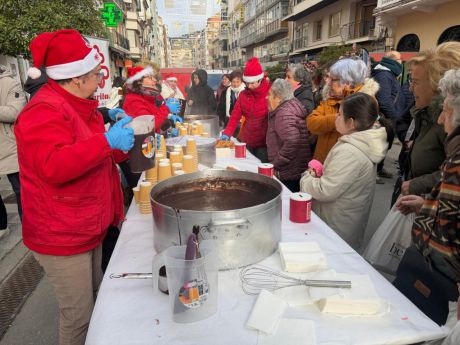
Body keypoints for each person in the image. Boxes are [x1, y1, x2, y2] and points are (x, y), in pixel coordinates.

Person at [14, 29, 134, 345]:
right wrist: (107, 140)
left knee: (96, 299)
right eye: (96, 74)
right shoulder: (44, 110)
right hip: (63, 233)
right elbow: (53, 166)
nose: (101, 80)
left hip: (88, 223)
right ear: (75, 78)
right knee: (78, 317)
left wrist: (119, 139)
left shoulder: (82, 104)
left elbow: (99, 153)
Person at [395, 68, 460, 326]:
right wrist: (426, 204)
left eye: (446, 110)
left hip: (443, 275)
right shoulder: (455, 152)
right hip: (433, 266)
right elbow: (451, 206)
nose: (442, 119)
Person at [300, 93, 392, 250]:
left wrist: (307, 178)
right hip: (346, 219)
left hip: (335, 224)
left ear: (351, 123)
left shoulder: (350, 151)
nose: (336, 117)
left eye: (340, 114)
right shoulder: (360, 142)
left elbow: (325, 190)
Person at [394, 42, 460, 200]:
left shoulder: (451, 124)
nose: (410, 89)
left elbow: (454, 173)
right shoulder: (424, 112)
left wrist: (418, 185)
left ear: (438, 86)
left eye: (415, 82)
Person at [307, 58, 380, 163]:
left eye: (333, 80)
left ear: (348, 82)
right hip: (322, 163)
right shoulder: (330, 98)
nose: (328, 83)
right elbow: (311, 123)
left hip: (346, 165)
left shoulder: (366, 103)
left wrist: (336, 120)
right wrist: (339, 119)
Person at [220, 57, 271, 162]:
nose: (249, 86)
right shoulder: (243, 95)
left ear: (260, 79)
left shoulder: (270, 93)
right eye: (247, 83)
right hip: (247, 140)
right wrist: (227, 132)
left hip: (264, 143)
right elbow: (235, 116)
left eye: (252, 83)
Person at [266, 79, 312, 192]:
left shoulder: (283, 113)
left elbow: (292, 141)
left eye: (269, 94)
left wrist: (276, 163)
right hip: (293, 170)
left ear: (279, 98)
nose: (266, 98)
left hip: (288, 172)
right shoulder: (287, 108)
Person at [0, 64, 26, 239]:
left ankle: (30, 228)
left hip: (9, 146)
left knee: (21, 191)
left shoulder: (10, 83)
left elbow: (15, 112)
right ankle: (1, 225)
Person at [371, 51, 406, 179]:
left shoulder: (388, 74)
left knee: (384, 144)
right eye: (399, 59)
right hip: (386, 118)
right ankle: (374, 172)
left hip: (388, 117)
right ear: (392, 61)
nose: (401, 61)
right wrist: (395, 116)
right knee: (380, 145)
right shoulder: (384, 75)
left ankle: (379, 169)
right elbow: (384, 100)